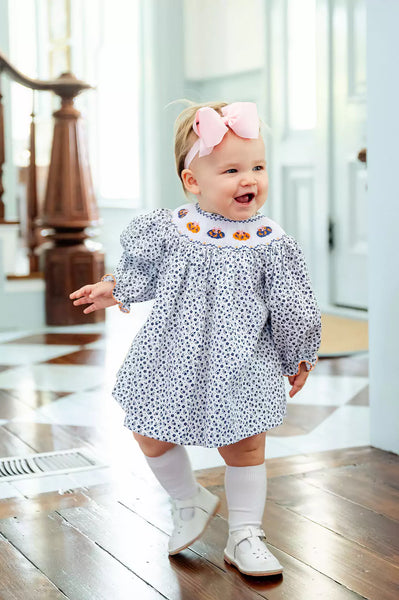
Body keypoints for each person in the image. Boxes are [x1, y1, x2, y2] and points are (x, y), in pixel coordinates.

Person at [69, 101, 321, 577]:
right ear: (193, 181)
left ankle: (246, 533)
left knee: (245, 445)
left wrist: (298, 354)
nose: (249, 179)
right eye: (232, 170)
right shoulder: (171, 229)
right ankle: (188, 500)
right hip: (170, 353)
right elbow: (141, 271)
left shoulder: (271, 241)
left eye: (258, 167)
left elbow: (293, 305)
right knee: (149, 430)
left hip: (242, 359)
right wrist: (115, 287)